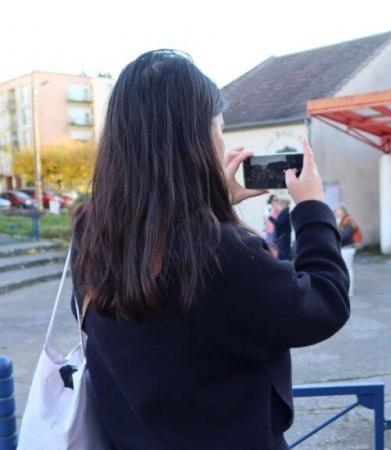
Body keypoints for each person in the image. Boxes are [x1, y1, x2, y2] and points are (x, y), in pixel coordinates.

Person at [70, 50, 350, 450]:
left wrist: (209, 203)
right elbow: (324, 302)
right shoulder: (222, 254)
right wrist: (312, 209)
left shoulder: (91, 233)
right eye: (219, 126)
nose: (221, 139)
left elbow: (162, 253)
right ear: (196, 138)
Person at [335, 205, 359, 296]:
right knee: (345, 269)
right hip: (345, 248)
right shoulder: (343, 221)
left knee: (348, 269)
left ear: (343, 212)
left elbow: (345, 236)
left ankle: (350, 290)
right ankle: (346, 288)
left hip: (347, 249)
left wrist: (335, 237)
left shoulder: (348, 222)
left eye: (337, 211)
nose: (336, 212)